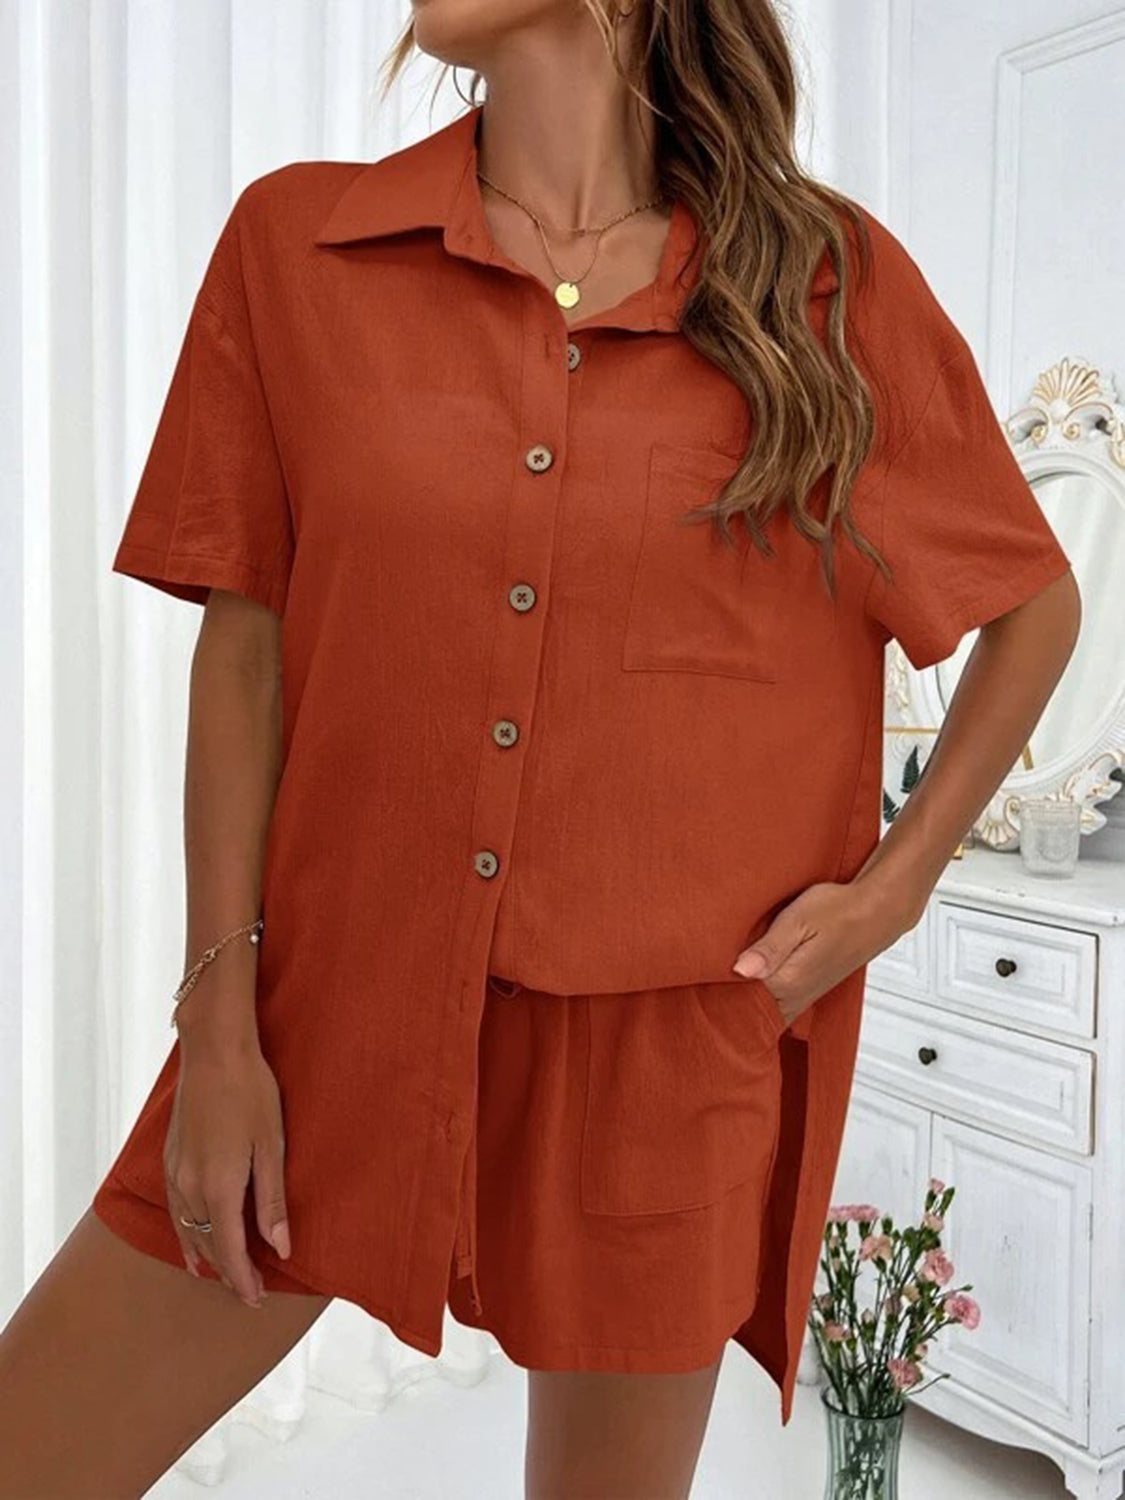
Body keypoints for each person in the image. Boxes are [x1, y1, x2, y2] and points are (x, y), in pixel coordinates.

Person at [0, 2, 1080, 1497]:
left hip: (664, 1054)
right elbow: (244, 655)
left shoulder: (822, 282)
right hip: (333, 1012)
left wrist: (893, 891)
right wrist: (221, 1027)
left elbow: (1030, 604)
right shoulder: (298, 245)